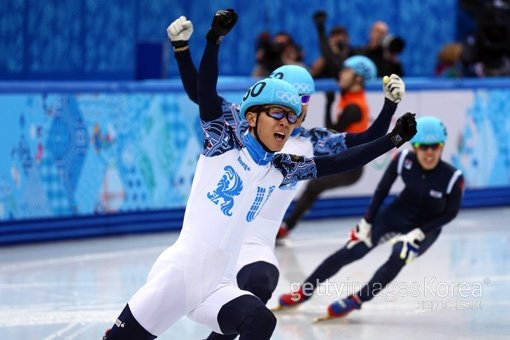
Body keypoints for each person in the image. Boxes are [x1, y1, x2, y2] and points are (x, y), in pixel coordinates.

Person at [103, 8, 417, 339]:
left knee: (260, 316)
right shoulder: (226, 138)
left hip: (221, 281)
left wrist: (394, 136)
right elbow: (204, 94)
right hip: (181, 274)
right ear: (254, 115)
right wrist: (209, 41)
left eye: (296, 109)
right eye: (278, 111)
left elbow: (345, 159)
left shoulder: (285, 165)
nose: (287, 119)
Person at [276, 116, 465, 320]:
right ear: (415, 147)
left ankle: (357, 300)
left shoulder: (453, 177)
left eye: (435, 147)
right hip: (398, 214)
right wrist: (367, 221)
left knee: (400, 254)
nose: (429, 153)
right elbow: (382, 190)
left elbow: (450, 213)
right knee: (352, 249)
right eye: (423, 146)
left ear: (442, 147)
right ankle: (304, 291)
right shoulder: (403, 160)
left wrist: (420, 232)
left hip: (427, 226)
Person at [278, 56, 405, 239]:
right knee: (311, 183)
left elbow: (336, 133)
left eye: (346, 71)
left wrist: (389, 108)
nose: (340, 73)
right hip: (348, 159)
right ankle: (285, 226)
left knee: (313, 184)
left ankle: (286, 226)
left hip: (350, 164)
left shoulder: (354, 106)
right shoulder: (350, 98)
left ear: (358, 79)